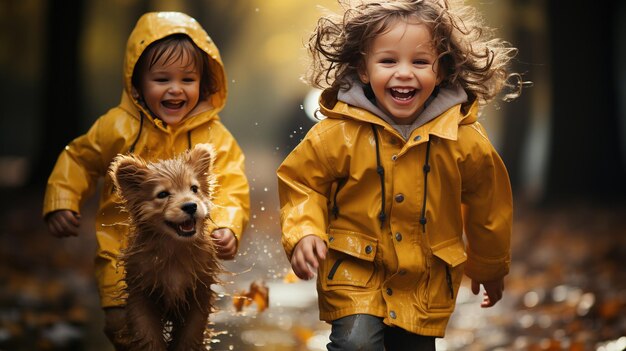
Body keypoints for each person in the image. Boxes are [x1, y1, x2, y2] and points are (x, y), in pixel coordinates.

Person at [277, 0, 523, 349]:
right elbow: (302, 182)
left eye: (420, 62)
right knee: (356, 344)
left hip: (425, 279)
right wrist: (304, 231)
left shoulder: (463, 138)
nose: (404, 73)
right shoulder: (337, 133)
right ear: (364, 69)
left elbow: (489, 204)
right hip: (354, 271)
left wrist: (489, 266)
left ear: (440, 70)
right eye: (388, 61)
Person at [42, 12, 250, 347]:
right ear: (137, 82)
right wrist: (62, 200)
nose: (175, 89)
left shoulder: (213, 135)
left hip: (193, 257)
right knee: (125, 328)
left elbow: (233, 183)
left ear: (204, 81)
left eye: (187, 79)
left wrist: (227, 225)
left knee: (190, 332)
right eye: (162, 79)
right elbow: (78, 158)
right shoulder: (117, 126)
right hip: (122, 256)